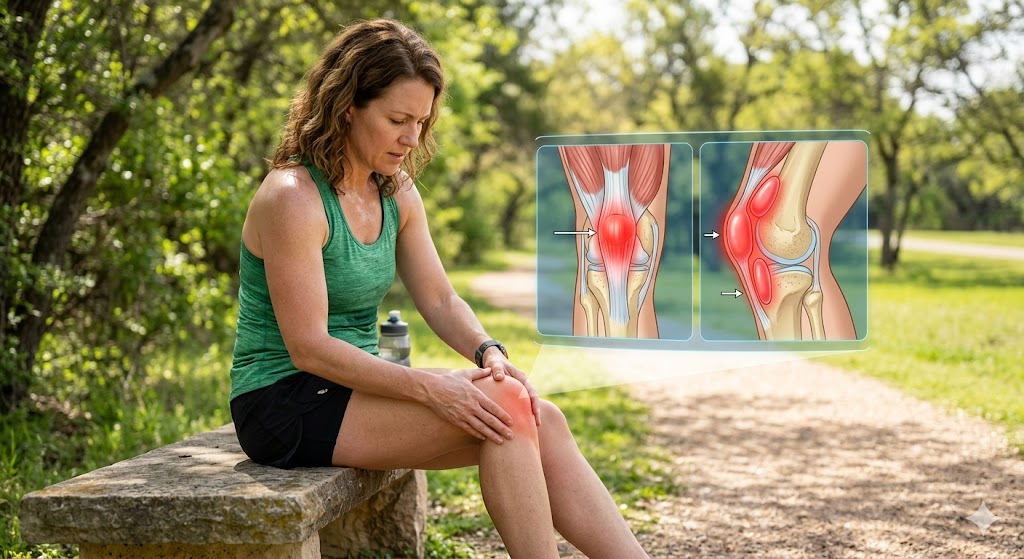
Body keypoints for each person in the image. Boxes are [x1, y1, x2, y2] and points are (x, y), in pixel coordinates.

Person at [229, 18, 649, 559]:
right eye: (397, 119)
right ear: (347, 107)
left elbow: (440, 298)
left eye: (421, 122)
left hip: (350, 391)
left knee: (539, 415)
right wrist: (430, 386)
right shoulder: (293, 198)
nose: (411, 138)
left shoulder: (394, 192)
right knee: (507, 414)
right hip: (281, 402)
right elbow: (307, 347)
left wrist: (487, 350)